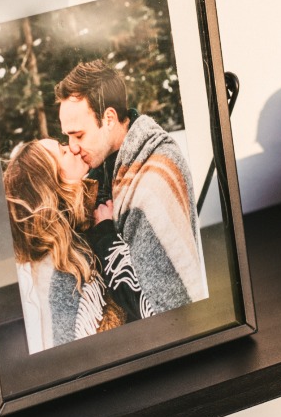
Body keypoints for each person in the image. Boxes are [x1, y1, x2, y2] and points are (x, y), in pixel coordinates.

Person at [55, 58, 207, 314]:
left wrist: (104, 234)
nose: (72, 145)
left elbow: (163, 310)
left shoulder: (151, 183)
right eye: (67, 136)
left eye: (78, 135)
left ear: (110, 118)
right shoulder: (105, 165)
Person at [2, 139, 126, 353]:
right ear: (50, 182)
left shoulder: (76, 228)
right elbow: (65, 351)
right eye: (63, 151)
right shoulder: (57, 268)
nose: (74, 148)